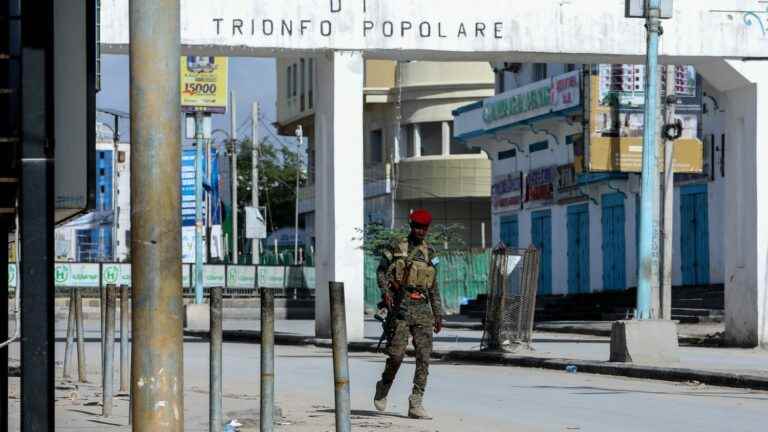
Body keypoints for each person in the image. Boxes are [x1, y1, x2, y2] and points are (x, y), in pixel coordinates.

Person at [373, 209, 443, 419]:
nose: (420, 231)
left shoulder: (431, 253)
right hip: (401, 308)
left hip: (423, 309)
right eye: (417, 227)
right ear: (411, 227)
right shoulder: (396, 247)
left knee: (424, 357)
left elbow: (433, 286)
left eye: (424, 228)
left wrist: (438, 314)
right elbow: (381, 272)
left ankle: (416, 402)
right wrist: (386, 294)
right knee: (396, 356)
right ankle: (384, 385)